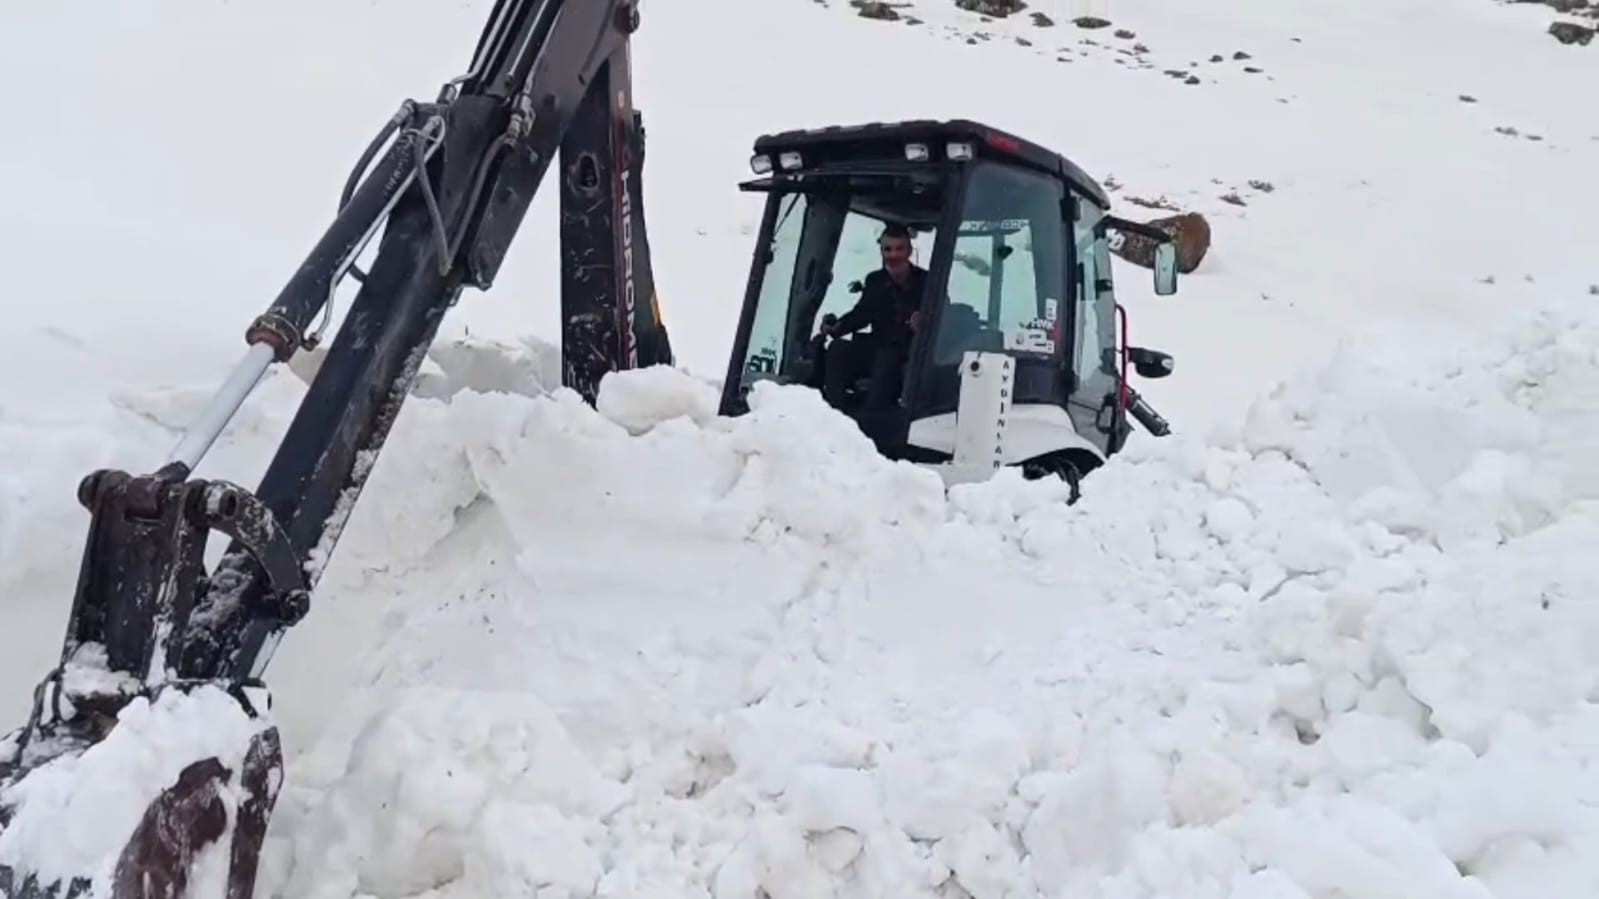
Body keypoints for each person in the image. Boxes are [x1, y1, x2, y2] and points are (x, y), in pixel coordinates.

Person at [821, 223, 927, 411]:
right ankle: (834, 411)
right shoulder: (875, 281)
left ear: (909, 251)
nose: (893, 255)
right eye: (888, 249)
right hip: (879, 346)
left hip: (911, 352)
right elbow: (862, 313)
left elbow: (943, 314)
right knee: (838, 349)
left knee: (887, 359)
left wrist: (923, 323)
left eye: (899, 249)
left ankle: (872, 415)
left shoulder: (926, 281)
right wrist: (837, 327)